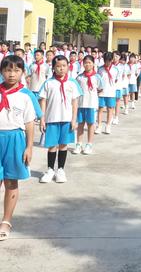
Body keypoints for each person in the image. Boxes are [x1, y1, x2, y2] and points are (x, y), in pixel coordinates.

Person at [0, 55, 37, 241]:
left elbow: (30, 123)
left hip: (15, 139)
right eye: (8, 70)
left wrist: (29, 147)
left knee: (11, 182)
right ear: (2, 72)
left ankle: (6, 221)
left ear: (22, 72)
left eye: (16, 70)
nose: (11, 74)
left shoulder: (25, 96)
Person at [38, 55, 82, 183]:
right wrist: (42, 118)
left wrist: (74, 119)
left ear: (68, 67)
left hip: (66, 119)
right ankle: (50, 170)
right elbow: (43, 101)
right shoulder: (48, 83)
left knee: (63, 145)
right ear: (53, 68)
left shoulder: (72, 83)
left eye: (64, 66)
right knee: (52, 145)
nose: (61, 69)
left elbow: (75, 102)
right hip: (52, 118)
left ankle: (61, 170)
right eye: (58, 66)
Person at [74, 55, 103, 155]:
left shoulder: (97, 77)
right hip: (81, 104)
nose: (87, 64)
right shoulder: (79, 77)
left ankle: (89, 144)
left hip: (92, 104)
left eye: (89, 62)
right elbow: (76, 90)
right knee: (80, 124)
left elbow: (100, 88)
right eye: (85, 62)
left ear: (93, 64)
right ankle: (78, 144)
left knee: (91, 124)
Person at [96, 52, 118, 135]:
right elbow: (98, 80)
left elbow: (116, 80)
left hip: (111, 92)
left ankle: (108, 126)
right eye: (105, 61)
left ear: (112, 60)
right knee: (100, 109)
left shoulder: (115, 69)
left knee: (110, 109)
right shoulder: (100, 69)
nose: (107, 63)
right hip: (102, 92)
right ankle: (99, 126)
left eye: (109, 61)